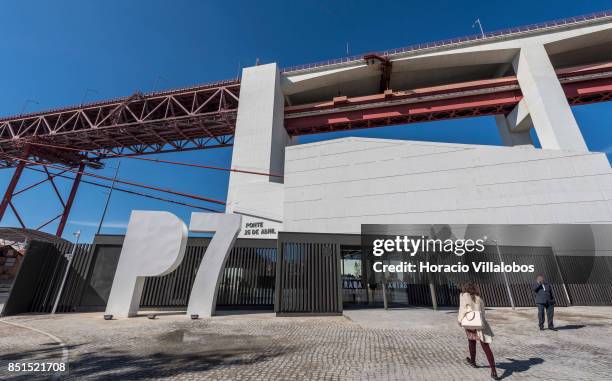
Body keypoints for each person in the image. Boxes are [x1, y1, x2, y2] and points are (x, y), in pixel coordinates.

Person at [457, 283, 499, 380]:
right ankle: (494, 371)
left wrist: (459, 320)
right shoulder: (479, 299)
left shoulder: (464, 296)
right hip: (480, 325)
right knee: (486, 347)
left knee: (471, 342)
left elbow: (463, 309)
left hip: (470, 324)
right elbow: (483, 313)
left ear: (465, 289)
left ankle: (473, 361)